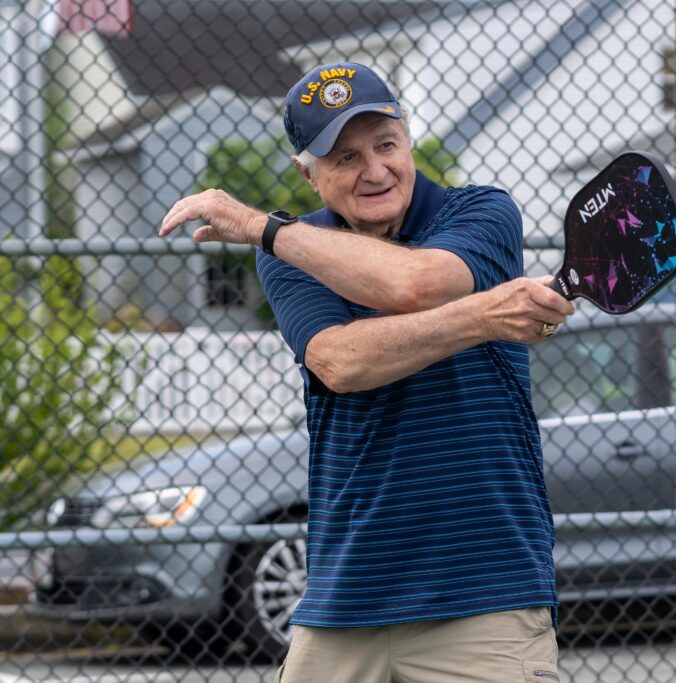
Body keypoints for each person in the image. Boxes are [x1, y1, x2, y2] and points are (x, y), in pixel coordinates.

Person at [159, 62, 573, 683]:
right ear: (308, 174)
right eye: (345, 157)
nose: (375, 170)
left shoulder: (483, 212)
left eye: (385, 144)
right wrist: (484, 315)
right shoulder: (292, 253)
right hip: (344, 599)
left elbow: (417, 283)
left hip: (484, 595)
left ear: (407, 138)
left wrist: (260, 228)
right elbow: (342, 362)